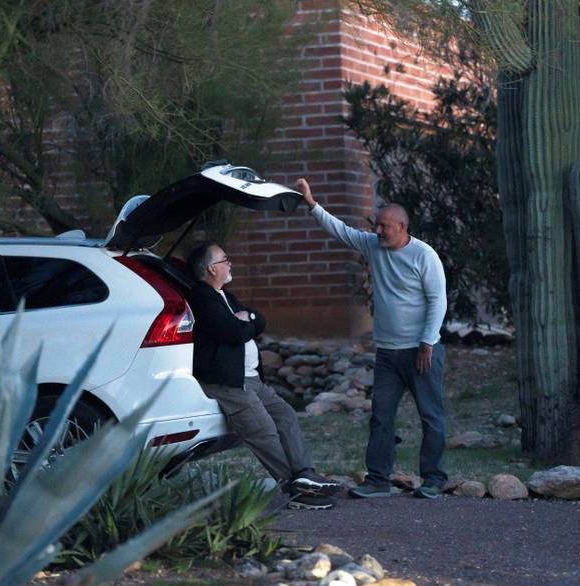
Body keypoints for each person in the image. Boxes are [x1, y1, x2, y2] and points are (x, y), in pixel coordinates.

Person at [295, 178, 448, 499]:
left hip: (421, 351)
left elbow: (438, 300)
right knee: (381, 416)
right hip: (388, 353)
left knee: (430, 416)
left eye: (385, 227)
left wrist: (427, 342)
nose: (378, 231)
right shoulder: (373, 246)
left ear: (402, 227)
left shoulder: (424, 256)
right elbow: (341, 231)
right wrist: (312, 205)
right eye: (376, 225)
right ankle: (378, 479)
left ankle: (433, 479)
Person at [185, 242, 340, 510]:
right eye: (225, 259)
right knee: (262, 430)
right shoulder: (202, 298)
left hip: (252, 379)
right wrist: (245, 323)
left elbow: (260, 321)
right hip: (229, 383)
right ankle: (296, 489)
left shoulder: (226, 296)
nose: (229, 263)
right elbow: (235, 332)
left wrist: (248, 319)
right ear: (211, 268)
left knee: (286, 415)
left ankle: (305, 474)